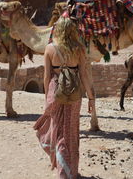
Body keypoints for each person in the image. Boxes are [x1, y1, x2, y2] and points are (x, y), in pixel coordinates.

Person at [34, 16, 95, 179]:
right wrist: (91, 98)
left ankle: (62, 171)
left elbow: (47, 77)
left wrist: (47, 98)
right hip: (74, 94)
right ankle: (70, 171)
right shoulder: (79, 49)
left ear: (58, 31)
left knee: (57, 130)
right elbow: (83, 74)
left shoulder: (50, 48)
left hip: (56, 93)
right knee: (70, 133)